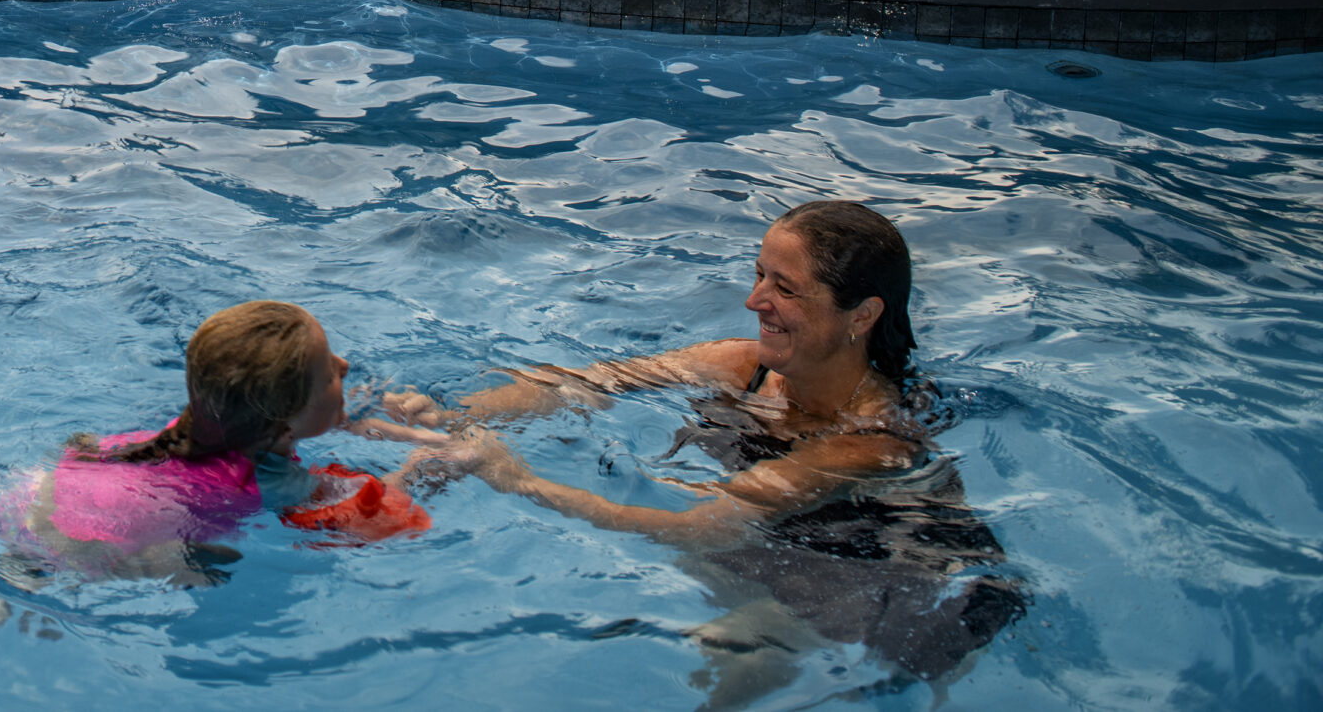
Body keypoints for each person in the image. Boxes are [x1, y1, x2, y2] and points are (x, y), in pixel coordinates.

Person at [371, 201, 1021, 703]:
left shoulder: (872, 441)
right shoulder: (743, 367)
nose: (754, 298)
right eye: (758, 273)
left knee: (721, 648)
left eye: (785, 288)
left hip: (898, 596)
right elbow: (585, 383)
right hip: (781, 553)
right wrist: (457, 413)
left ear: (861, 314)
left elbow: (699, 523)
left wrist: (515, 477)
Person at [0, 300, 422, 585]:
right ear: (284, 427)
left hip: (28, 495)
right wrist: (425, 469)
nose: (344, 365)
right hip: (80, 551)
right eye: (329, 374)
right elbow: (387, 520)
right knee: (209, 563)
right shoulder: (274, 483)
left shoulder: (203, 421)